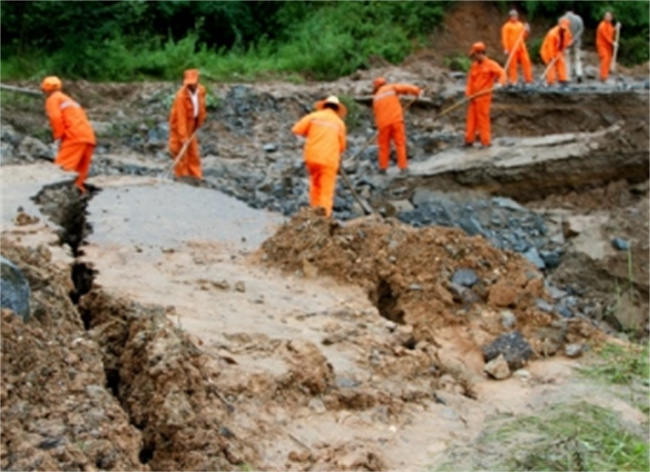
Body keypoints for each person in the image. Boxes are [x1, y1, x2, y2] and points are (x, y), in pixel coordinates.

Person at [292, 96, 347, 217]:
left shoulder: (314, 117)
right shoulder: (339, 123)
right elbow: (342, 146)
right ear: (337, 109)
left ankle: (313, 214)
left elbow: (296, 129)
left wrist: (312, 133)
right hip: (329, 160)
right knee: (326, 191)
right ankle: (325, 219)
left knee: (315, 185)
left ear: (324, 105)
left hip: (312, 157)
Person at [41, 76, 96, 194]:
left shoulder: (53, 99)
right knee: (80, 173)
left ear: (45, 90)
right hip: (88, 136)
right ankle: (78, 195)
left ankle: (58, 198)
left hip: (74, 136)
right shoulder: (68, 99)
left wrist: (58, 136)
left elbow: (55, 118)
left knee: (61, 171)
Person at [371, 77, 422, 174]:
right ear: (385, 83)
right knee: (400, 144)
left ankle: (382, 168)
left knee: (383, 146)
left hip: (383, 124)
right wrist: (417, 91)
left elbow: (376, 114)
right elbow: (405, 87)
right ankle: (403, 167)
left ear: (376, 87)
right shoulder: (391, 88)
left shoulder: (375, 98)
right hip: (396, 120)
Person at [464, 42, 506, 148]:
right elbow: (470, 81)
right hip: (473, 97)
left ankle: (486, 142)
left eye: (475, 55)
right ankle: (469, 140)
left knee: (483, 119)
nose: (474, 58)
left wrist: (500, 83)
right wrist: (468, 93)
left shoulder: (491, 64)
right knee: (471, 119)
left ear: (480, 53)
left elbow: (502, 73)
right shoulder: (474, 66)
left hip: (484, 97)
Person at [168, 68, 206, 179]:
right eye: (189, 84)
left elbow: (201, 107)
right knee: (179, 151)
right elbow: (181, 119)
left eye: (193, 84)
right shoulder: (181, 96)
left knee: (193, 152)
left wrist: (199, 122)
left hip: (192, 125)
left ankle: (195, 176)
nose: (191, 86)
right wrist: (183, 137)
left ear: (197, 81)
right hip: (180, 126)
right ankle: (182, 177)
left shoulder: (201, 91)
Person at [501, 9, 532, 86]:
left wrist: (527, 30)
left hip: (521, 46)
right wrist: (506, 48)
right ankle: (513, 80)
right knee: (513, 65)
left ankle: (528, 79)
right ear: (510, 17)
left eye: (515, 16)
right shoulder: (506, 26)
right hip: (512, 47)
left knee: (526, 62)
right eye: (513, 16)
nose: (514, 17)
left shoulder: (521, 25)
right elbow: (505, 38)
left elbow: (524, 36)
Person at [540, 18, 573, 86]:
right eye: (562, 28)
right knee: (551, 66)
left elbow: (569, 39)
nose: (563, 30)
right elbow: (550, 47)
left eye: (565, 28)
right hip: (547, 51)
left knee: (561, 63)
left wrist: (569, 44)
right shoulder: (552, 34)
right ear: (559, 25)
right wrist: (551, 56)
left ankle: (562, 80)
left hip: (558, 50)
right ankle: (550, 82)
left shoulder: (566, 31)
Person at [560, 11, 584, 82]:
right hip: (577, 42)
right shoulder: (578, 19)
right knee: (577, 58)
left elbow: (561, 31)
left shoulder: (562, 19)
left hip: (566, 42)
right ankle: (579, 73)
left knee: (567, 59)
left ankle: (568, 75)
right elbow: (581, 29)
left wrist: (568, 41)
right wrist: (574, 39)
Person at [596, 11, 618, 82]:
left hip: (608, 46)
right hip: (602, 45)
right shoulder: (602, 25)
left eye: (609, 16)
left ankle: (605, 76)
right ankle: (603, 76)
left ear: (611, 18)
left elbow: (611, 32)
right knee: (605, 59)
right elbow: (605, 36)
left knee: (608, 60)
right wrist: (613, 42)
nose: (607, 17)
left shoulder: (609, 24)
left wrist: (616, 28)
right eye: (606, 16)